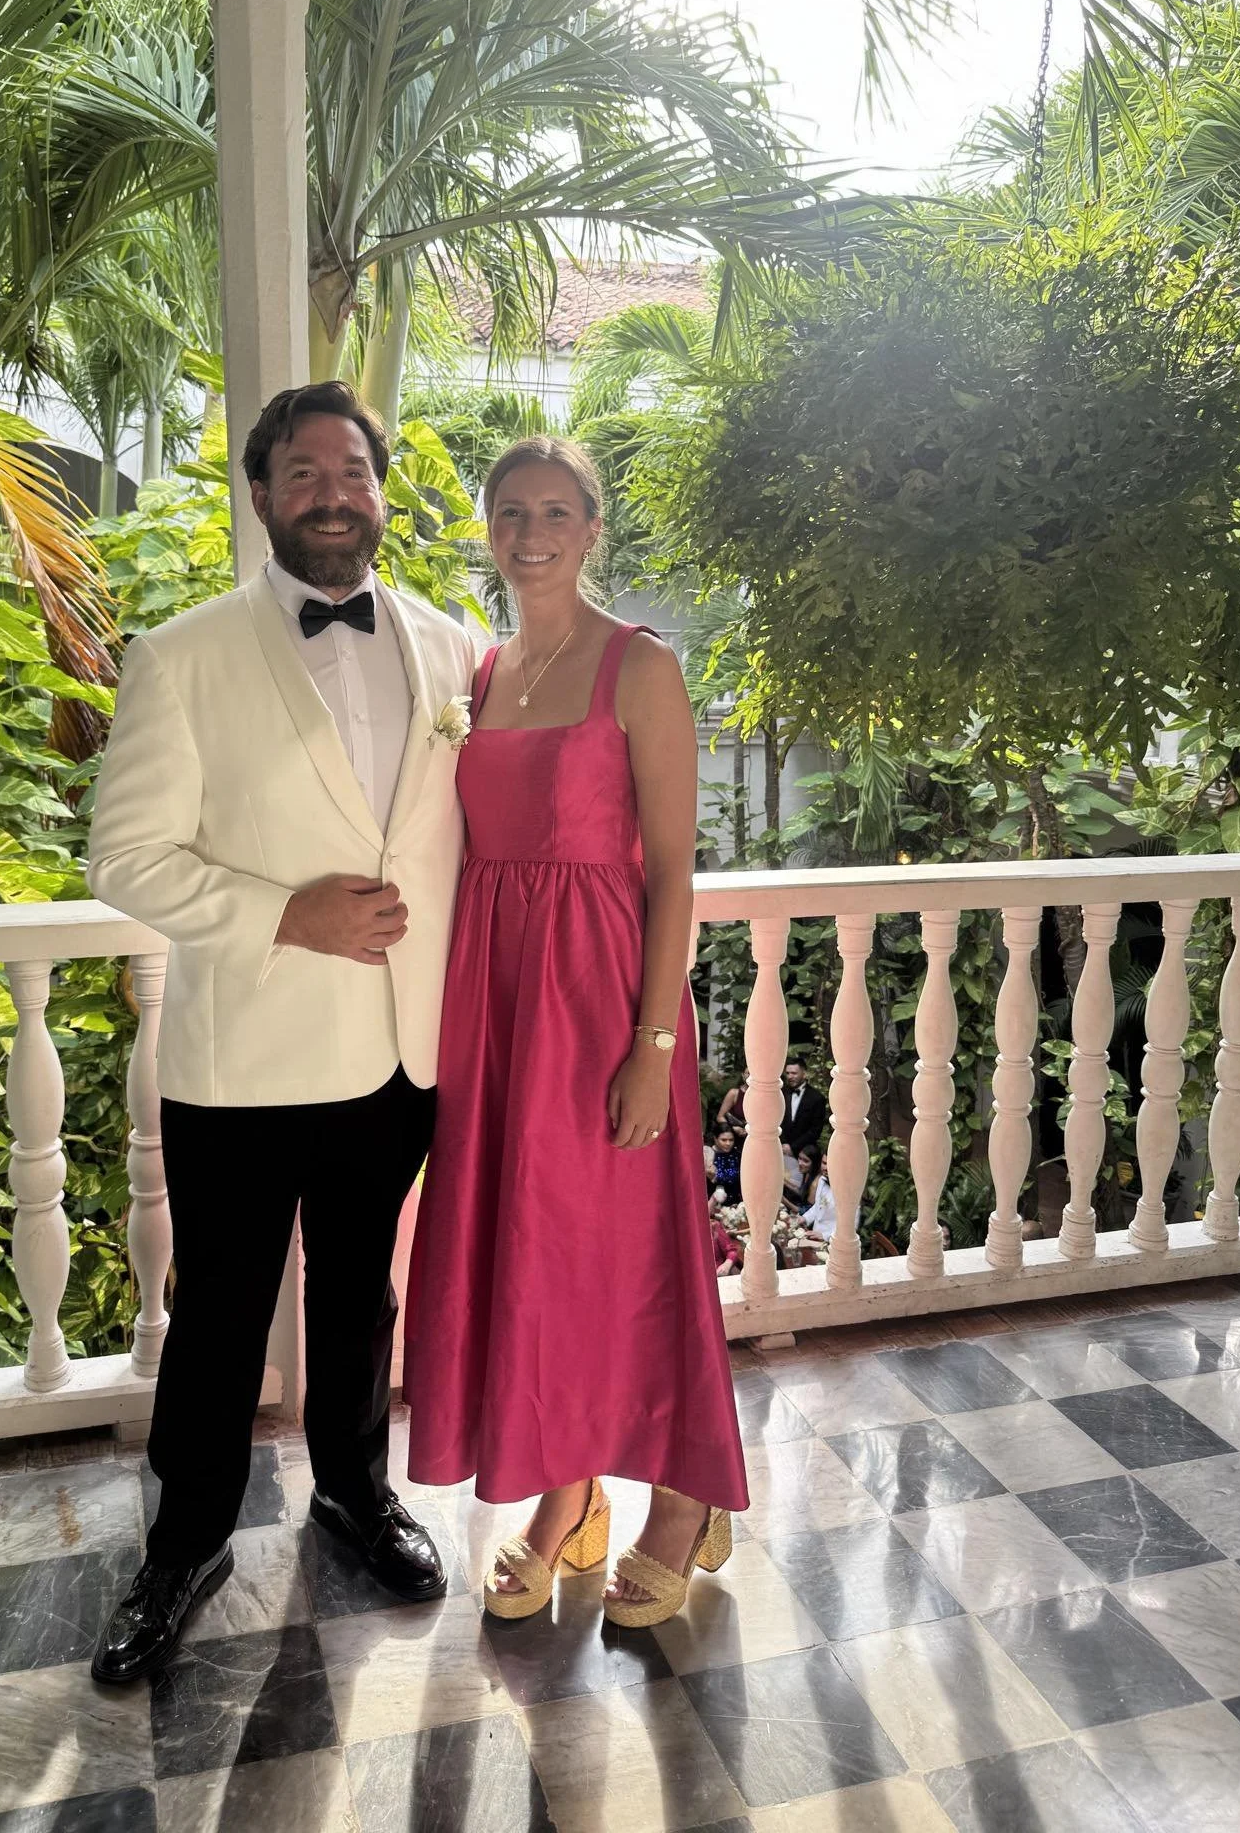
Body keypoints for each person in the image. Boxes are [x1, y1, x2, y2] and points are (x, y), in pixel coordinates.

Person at [84, 381, 477, 1684]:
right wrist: (284, 913)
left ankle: (354, 1499)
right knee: (221, 1317)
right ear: (262, 496)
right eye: (302, 473)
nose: (331, 493)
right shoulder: (182, 656)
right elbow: (126, 858)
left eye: (351, 471)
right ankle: (185, 1543)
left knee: (363, 1299)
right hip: (244, 1060)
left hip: (395, 1055)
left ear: (378, 489)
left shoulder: (450, 646)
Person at [403, 436, 747, 1633]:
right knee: (540, 1262)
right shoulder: (484, 670)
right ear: (488, 528)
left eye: (556, 511)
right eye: (511, 511)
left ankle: (683, 1500)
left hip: (605, 1005)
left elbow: (673, 876)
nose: (531, 530)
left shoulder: (637, 667)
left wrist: (653, 1041)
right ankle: (570, 1497)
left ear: (593, 528)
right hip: (499, 1012)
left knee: (632, 1258)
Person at [780, 1058, 827, 1168]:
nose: (790, 1076)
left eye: (794, 1073)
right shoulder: (781, 1094)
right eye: (787, 1073)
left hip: (805, 1154)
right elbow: (775, 1120)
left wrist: (793, 1147)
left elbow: (816, 1130)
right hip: (780, 1150)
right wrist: (783, 1144)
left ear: (804, 1074)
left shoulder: (817, 1098)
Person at [709, 1124, 742, 1199]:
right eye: (723, 1140)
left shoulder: (737, 1156)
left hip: (737, 1204)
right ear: (715, 1139)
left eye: (731, 1140)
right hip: (714, 1204)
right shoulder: (708, 1156)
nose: (728, 1143)